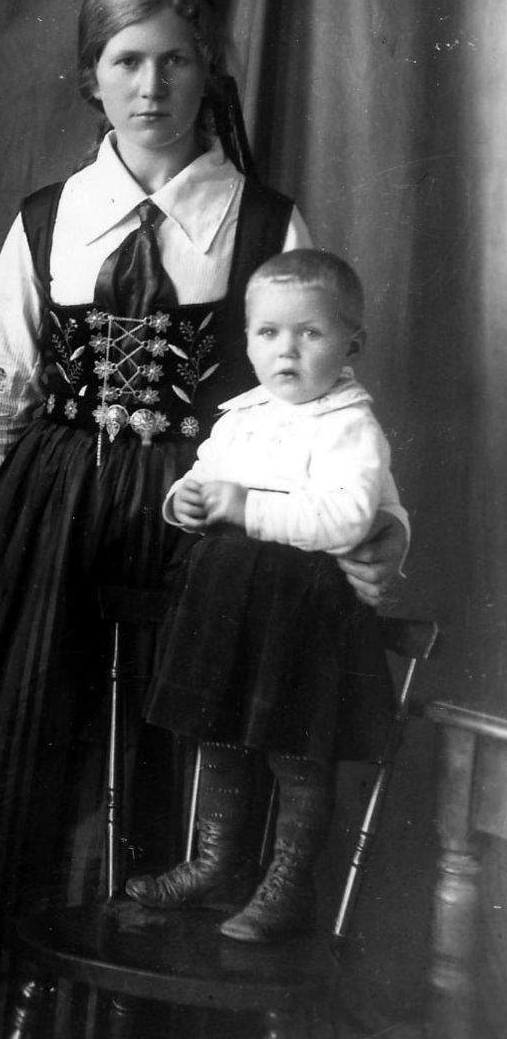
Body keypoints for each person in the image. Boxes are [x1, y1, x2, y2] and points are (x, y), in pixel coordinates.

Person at [0, 0, 407, 1039]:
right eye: (126, 61)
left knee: (201, 748)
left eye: (175, 60)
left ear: (207, 70)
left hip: (205, 522)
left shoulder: (264, 219)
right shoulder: (48, 220)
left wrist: (374, 530)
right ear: (91, 77)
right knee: (26, 773)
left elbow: (322, 407)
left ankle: (164, 1036)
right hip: (50, 524)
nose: (151, 85)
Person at [124, 248, 403, 944]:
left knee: (298, 751)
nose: (287, 350)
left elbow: (347, 519)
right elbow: (202, 475)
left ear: (351, 346)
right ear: (247, 341)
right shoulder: (241, 416)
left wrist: (243, 507)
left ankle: (289, 882)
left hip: (304, 618)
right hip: (231, 610)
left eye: (311, 333)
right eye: (269, 333)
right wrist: (184, 502)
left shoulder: (349, 426)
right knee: (218, 734)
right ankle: (217, 863)